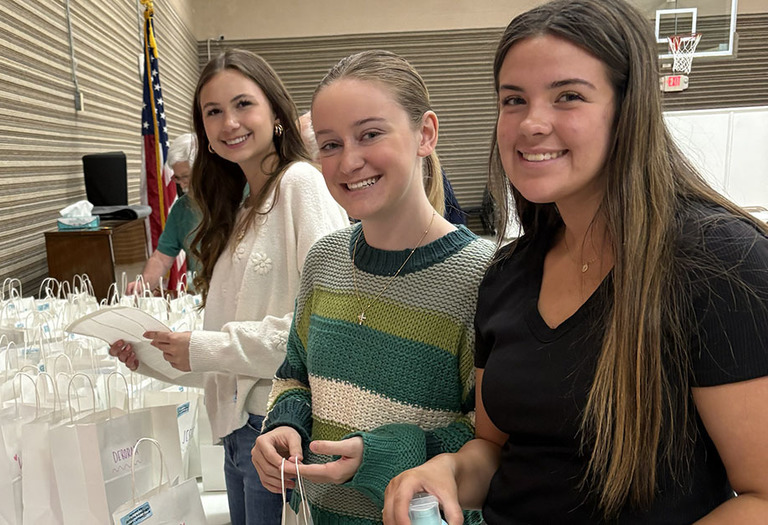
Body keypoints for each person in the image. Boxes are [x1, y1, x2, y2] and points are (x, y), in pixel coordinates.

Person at [383, 1, 768, 524]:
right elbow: (495, 452)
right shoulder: (507, 274)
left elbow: (761, 497)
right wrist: (447, 471)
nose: (531, 124)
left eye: (568, 97)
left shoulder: (722, 262)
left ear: (628, 109)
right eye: (513, 100)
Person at [250, 50, 493, 525]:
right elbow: (293, 375)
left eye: (370, 134)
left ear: (425, 134)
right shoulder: (324, 260)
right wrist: (284, 424)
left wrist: (382, 454)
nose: (349, 161)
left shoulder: (481, 276)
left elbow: (489, 438)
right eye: (330, 144)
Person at [109, 49, 347, 525]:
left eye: (242, 105)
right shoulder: (239, 209)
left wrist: (201, 347)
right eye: (213, 112)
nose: (228, 123)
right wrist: (153, 355)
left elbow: (321, 330)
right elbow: (223, 348)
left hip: (278, 425)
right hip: (239, 430)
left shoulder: (299, 185)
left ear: (275, 113)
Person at [127, 133, 201, 294]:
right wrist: (143, 285)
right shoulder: (181, 210)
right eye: (178, 178)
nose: (182, 185)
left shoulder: (235, 199)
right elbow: (161, 259)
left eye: (186, 177)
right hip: (202, 296)